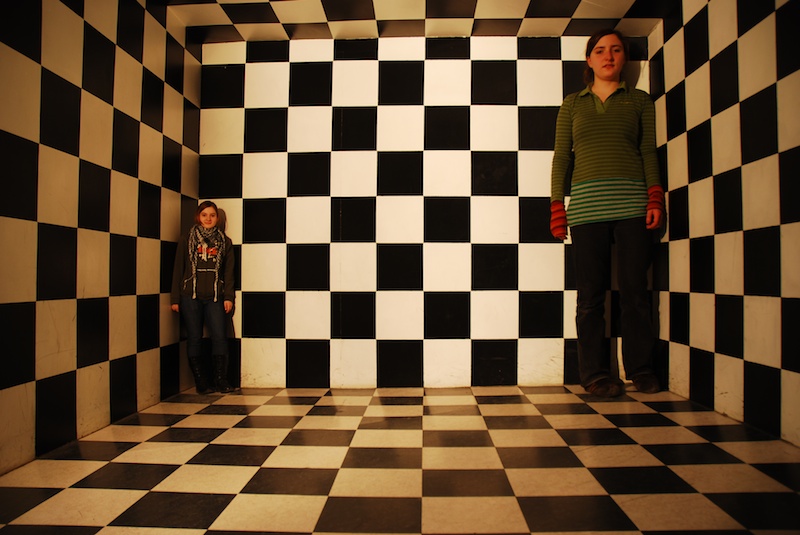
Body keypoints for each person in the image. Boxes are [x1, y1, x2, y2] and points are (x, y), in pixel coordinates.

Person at [550, 29, 665, 398]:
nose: (608, 56)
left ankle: (641, 369)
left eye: (616, 50)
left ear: (625, 58)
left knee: (636, 292)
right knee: (590, 296)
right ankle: (595, 374)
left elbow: (648, 152)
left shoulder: (640, 101)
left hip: (632, 206)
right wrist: (556, 205)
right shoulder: (573, 104)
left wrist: (654, 198)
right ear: (589, 59)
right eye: (600, 50)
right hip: (586, 210)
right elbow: (562, 157)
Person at [171, 201, 236, 394]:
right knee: (194, 338)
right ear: (198, 217)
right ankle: (201, 382)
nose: (208, 219)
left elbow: (229, 273)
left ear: (218, 219)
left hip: (216, 296)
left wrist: (229, 296)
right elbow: (178, 269)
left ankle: (221, 380)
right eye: (204, 215)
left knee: (219, 337)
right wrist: (175, 299)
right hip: (190, 296)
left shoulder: (225, 242)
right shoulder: (187, 239)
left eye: (212, 215)